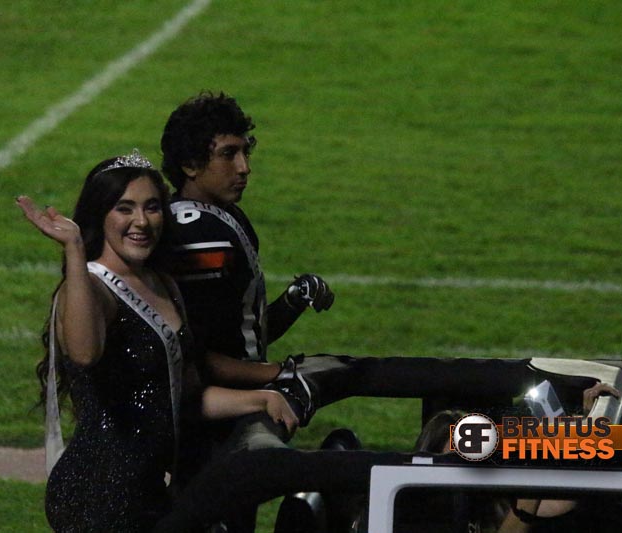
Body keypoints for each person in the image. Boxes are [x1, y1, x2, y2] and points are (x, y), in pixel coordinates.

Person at [158, 91, 536, 530]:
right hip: (206, 423)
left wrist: (293, 301)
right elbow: (197, 359)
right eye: (228, 154)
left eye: (246, 152)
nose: (244, 167)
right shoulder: (200, 235)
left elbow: (242, 340)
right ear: (190, 164)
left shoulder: (223, 217)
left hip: (230, 412)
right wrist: (276, 374)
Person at [16, 151, 299, 532]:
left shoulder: (163, 284)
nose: (141, 221)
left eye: (152, 207)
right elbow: (84, 353)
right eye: (124, 208)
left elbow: (185, 395)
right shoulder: (90, 287)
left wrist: (261, 398)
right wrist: (74, 248)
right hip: (98, 496)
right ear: (100, 215)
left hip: (149, 491)